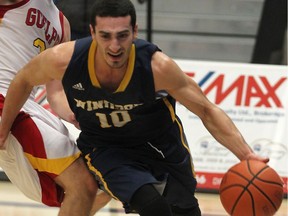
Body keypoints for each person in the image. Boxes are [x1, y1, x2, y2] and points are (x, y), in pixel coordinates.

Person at [0, 0, 269, 215]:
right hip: (107, 149)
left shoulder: (157, 67)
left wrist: (247, 155)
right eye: (105, 36)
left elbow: (207, 110)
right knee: (149, 206)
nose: (114, 46)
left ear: (135, 33)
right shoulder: (66, 59)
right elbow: (24, 79)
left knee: (179, 210)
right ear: (92, 33)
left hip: (161, 146)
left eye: (122, 36)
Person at [0, 0, 110, 215]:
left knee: (98, 187)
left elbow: (56, 91)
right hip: (5, 101)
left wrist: (73, 114)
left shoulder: (62, 24)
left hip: (28, 106)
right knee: (83, 184)